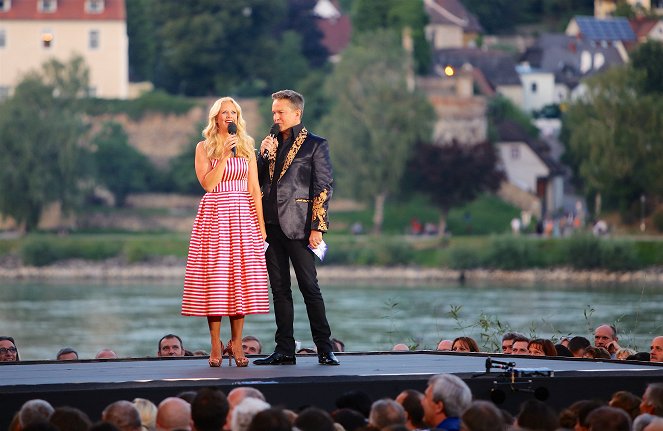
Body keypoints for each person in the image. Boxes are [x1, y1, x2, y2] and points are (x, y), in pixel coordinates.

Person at [182, 96, 269, 369]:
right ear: (216, 118)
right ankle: (215, 344)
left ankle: (237, 343)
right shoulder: (203, 147)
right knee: (218, 283)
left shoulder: (246, 145)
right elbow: (208, 184)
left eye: (234, 112)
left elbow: (255, 189)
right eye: (224, 112)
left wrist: (262, 228)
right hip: (216, 215)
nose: (229, 116)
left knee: (239, 282)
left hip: (243, 216)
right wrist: (221, 156)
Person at [254, 89, 338, 367]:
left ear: (297, 113)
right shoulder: (270, 144)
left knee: (309, 287)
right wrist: (261, 156)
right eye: (274, 112)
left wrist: (318, 227)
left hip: (300, 226)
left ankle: (325, 348)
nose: (275, 116)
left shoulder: (316, 145)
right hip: (270, 225)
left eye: (280, 112)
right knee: (279, 290)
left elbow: (322, 187)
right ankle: (284, 349)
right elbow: (255, 182)